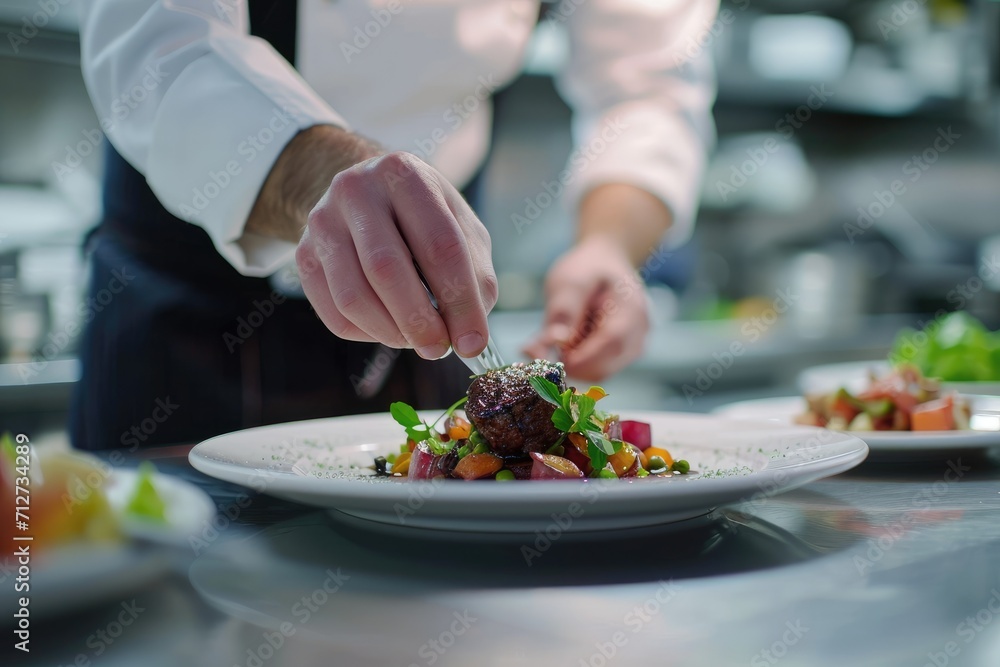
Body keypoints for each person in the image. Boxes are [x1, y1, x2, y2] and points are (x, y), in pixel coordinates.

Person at [71, 0, 717, 450]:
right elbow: (158, 45)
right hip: (190, 323)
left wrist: (608, 244)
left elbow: (648, 82)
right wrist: (321, 172)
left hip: (428, 328)